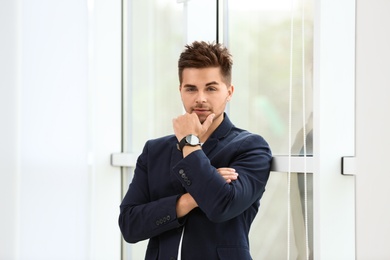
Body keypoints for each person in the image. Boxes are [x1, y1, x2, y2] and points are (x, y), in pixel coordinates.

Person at [119, 41, 272, 260]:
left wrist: (189, 143)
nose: (200, 98)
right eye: (191, 88)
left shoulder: (251, 147)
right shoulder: (155, 151)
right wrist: (190, 199)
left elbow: (222, 206)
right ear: (180, 90)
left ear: (229, 92)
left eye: (211, 88)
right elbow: (129, 225)